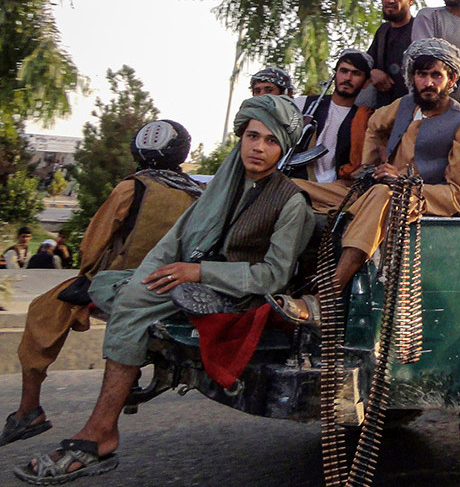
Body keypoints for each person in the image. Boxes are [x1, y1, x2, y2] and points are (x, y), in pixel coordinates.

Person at [14, 97, 314, 485]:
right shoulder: (225, 184)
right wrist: (152, 274)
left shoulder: (291, 201)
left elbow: (272, 276)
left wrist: (197, 271)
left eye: (271, 141)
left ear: (282, 150)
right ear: (240, 137)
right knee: (115, 287)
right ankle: (119, 386)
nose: (258, 147)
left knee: (134, 305)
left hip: (240, 293)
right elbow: (173, 241)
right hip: (196, 278)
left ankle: (100, 432)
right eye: (252, 136)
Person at [1, 120, 204, 452]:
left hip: (120, 281)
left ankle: (28, 411)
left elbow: (93, 245)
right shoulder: (197, 192)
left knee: (42, 310)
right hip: (172, 285)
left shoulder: (132, 187)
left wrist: (90, 276)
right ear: (182, 151)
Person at [270, 39, 460, 325]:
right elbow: (375, 125)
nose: (428, 82)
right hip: (374, 189)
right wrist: (369, 166)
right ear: (412, 77)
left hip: (415, 199)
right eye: (422, 75)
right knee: (288, 186)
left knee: (384, 195)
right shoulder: (405, 105)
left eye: (437, 75)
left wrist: (407, 183)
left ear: (451, 80)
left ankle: (326, 298)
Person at [292, 49, 374, 187]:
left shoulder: (365, 120)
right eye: (343, 71)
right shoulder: (303, 104)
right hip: (295, 180)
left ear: (366, 82)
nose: (348, 78)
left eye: (356, 73)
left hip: (335, 187)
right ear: (335, 75)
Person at [365, 0, 417, 109]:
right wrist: (372, 72)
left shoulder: (420, 30)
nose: (390, 0)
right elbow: (366, 62)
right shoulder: (382, 31)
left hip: (412, 111)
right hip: (382, 112)